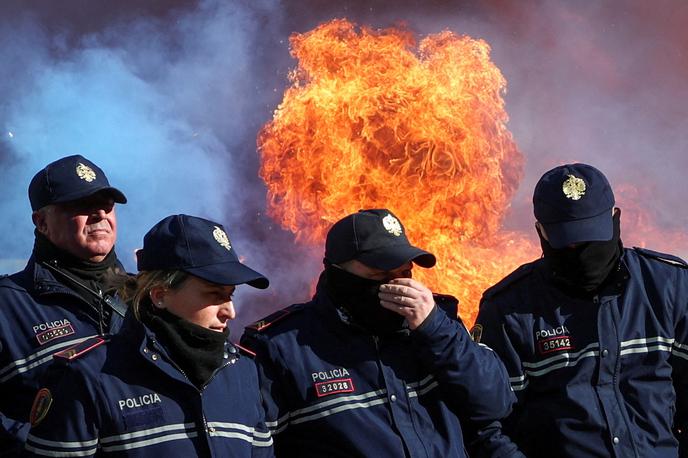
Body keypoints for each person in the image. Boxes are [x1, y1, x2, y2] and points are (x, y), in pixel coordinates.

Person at [241, 208, 517, 457]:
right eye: (380, 276)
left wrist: (436, 330)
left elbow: (495, 405)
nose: (397, 286)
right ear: (337, 272)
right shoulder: (280, 346)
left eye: (405, 273)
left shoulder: (436, 325)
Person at [472, 163, 688, 457]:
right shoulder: (509, 310)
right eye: (569, 242)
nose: (582, 251)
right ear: (541, 233)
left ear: (615, 219)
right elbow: (488, 422)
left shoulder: (668, 285)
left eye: (590, 238)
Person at [24, 214, 274, 457]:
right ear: (160, 295)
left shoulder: (243, 372)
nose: (230, 311)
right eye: (213, 294)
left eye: (230, 295)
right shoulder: (88, 376)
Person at [0, 154, 129, 456]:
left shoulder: (148, 298)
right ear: (41, 222)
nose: (99, 213)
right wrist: (47, 446)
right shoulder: (7, 306)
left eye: (106, 204)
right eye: (81, 205)